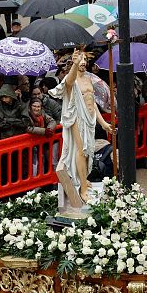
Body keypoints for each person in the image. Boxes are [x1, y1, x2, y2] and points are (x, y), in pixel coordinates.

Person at [48, 49, 112, 210]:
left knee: (88, 151)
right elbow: (68, 83)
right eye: (80, 60)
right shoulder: (71, 78)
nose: (83, 62)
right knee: (81, 150)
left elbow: (93, 103)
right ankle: (82, 187)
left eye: (84, 60)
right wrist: (74, 65)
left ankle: (84, 179)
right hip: (77, 118)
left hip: (90, 120)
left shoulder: (88, 78)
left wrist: (103, 123)